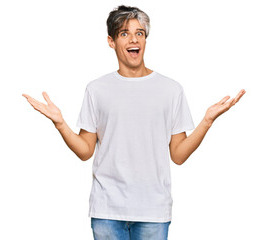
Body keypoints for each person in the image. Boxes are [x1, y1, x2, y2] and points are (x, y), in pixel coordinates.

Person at [22, 5, 246, 240]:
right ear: (111, 41)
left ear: (145, 39)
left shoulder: (170, 90)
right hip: (107, 209)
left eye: (139, 33)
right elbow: (86, 150)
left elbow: (178, 155)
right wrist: (60, 124)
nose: (133, 39)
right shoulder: (97, 89)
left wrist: (207, 121)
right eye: (124, 33)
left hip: (153, 211)